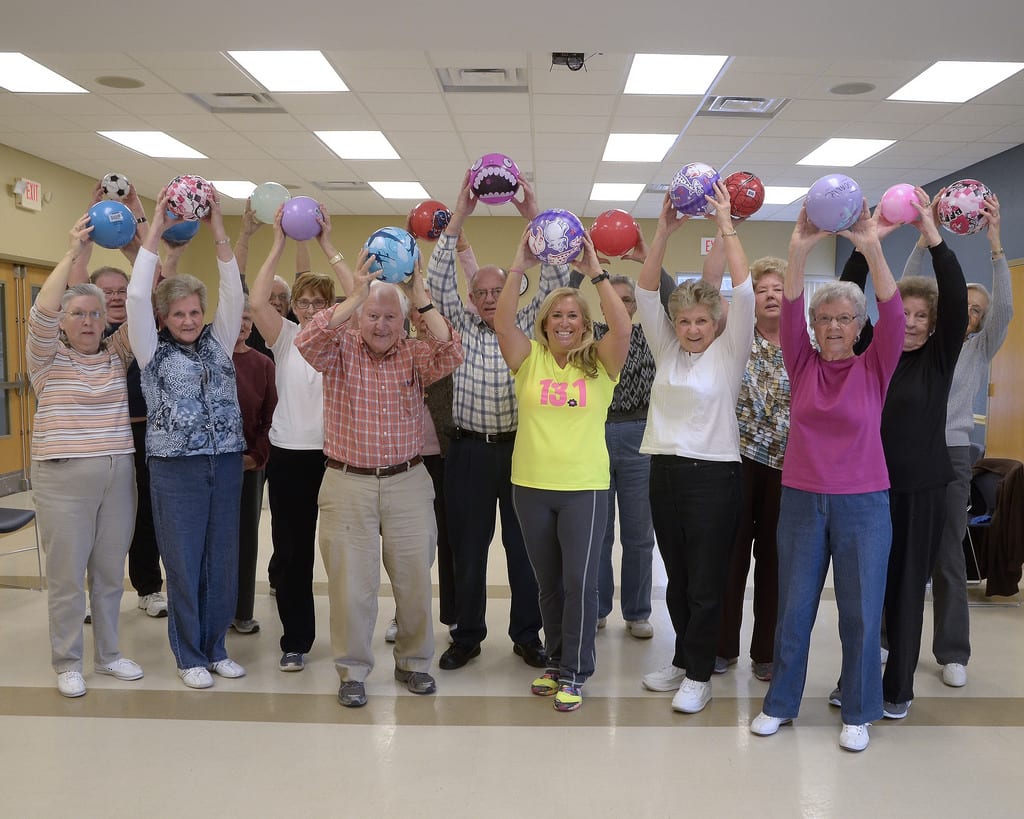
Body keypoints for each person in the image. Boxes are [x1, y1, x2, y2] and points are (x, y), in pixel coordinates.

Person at [749, 201, 903, 752]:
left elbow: (894, 309)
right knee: (793, 606)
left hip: (864, 503)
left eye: (844, 319)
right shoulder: (801, 361)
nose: (834, 326)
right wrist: (798, 248)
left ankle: (859, 711)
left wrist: (870, 244)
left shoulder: (876, 364)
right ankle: (781, 703)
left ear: (859, 327)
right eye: (825, 319)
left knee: (861, 613)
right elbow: (788, 307)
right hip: (802, 500)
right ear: (813, 328)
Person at [296, 253, 464, 708]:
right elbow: (307, 341)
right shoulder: (339, 349)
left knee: (413, 581)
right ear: (359, 317)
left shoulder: (414, 353)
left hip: (408, 481)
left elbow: (452, 350)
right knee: (351, 586)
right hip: (347, 482)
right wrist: (352, 296)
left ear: (403, 322)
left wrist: (420, 298)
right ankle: (352, 670)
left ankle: (414, 663)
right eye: (373, 315)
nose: (382, 325)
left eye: (391, 316)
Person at [828, 188, 967, 721]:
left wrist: (933, 235)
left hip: (920, 491)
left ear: (932, 324)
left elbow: (954, 295)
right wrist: (869, 245)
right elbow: (850, 291)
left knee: (907, 591)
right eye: (900, 313)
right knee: (862, 595)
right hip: (866, 489)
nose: (908, 321)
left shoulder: (939, 358)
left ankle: (897, 687)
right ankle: (853, 676)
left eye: (918, 315)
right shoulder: (869, 354)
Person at [427, 173, 561, 672]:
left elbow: (554, 279)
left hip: (519, 451)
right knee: (467, 547)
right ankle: (467, 634)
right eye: (480, 292)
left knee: (524, 549)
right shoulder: (457, 326)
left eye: (496, 290)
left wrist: (534, 218)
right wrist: (458, 213)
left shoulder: (526, 326)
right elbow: (438, 279)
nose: (487, 299)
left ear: (510, 291)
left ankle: (527, 635)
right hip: (467, 453)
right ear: (471, 296)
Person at [494, 231, 631, 711]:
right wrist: (519, 262)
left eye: (574, 315)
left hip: (584, 490)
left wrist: (596, 271)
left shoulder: (600, 364)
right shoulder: (527, 361)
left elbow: (625, 328)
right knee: (547, 583)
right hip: (530, 487)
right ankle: (555, 663)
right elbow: (502, 319)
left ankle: (577, 669)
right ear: (545, 322)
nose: (566, 321)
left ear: (584, 323)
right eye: (557, 314)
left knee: (580, 582)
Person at [635, 184, 754, 715]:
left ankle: (701, 675)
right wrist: (661, 233)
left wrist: (726, 225)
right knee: (678, 577)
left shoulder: (729, 354)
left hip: (714, 477)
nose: (690, 329)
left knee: (707, 581)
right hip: (664, 471)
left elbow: (746, 292)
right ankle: (685, 659)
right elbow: (642, 294)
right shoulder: (666, 350)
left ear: (716, 325)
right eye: (683, 321)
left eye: (701, 321)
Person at [127, 187, 247, 690]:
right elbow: (136, 294)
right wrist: (154, 224)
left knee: (222, 560)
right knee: (182, 560)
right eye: (179, 314)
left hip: (225, 462)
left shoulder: (220, 341)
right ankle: (189, 654)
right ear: (164, 319)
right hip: (176, 467)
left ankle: (217, 647)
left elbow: (234, 290)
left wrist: (219, 227)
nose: (190, 320)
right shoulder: (150, 349)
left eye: (195, 312)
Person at [28, 214, 143, 698]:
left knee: (109, 574)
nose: (88, 321)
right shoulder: (46, 358)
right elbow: (42, 310)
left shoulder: (118, 354)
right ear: (64, 323)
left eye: (95, 314)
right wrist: (75, 252)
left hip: (118, 474)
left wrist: (141, 245)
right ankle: (68, 660)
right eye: (77, 314)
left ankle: (111, 654)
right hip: (62, 479)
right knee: (67, 577)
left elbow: (140, 305)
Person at [902, 195, 1011, 688]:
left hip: (953, 451)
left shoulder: (980, 347)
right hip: (905, 448)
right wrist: (925, 239)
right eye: (961, 306)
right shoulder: (922, 344)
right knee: (899, 549)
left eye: (977, 310)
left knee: (946, 552)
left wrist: (995, 249)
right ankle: (890, 637)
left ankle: (952, 651)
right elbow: (906, 291)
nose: (969, 313)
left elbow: (1004, 306)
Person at [251, 206, 339, 671]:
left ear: (331, 307)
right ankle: (296, 640)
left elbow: (361, 296)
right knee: (292, 551)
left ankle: (350, 637)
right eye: (303, 303)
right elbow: (259, 296)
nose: (310, 311)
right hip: (289, 458)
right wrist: (280, 242)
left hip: (338, 458)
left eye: (319, 303)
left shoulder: (344, 338)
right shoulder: (283, 336)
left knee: (345, 552)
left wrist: (326, 242)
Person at [708, 248, 790, 682]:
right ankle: (723, 648)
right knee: (732, 557)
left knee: (775, 561)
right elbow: (706, 287)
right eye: (762, 290)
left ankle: (766, 654)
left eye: (779, 289)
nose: (772, 296)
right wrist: (724, 236)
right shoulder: (735, 335)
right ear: (750, 298)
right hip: (738, 461)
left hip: (788, 467)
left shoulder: (805, 341)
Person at [231, 297, 278, 635]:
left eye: (247, 318)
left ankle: (241, 611)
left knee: (245, 540)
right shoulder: (206, 358)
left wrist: (255, 457)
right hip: (209, 465)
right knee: (212, 541)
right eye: (235, 318)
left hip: (249, 465)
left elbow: (269, 418)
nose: (242, 325)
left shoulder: (263, 364)